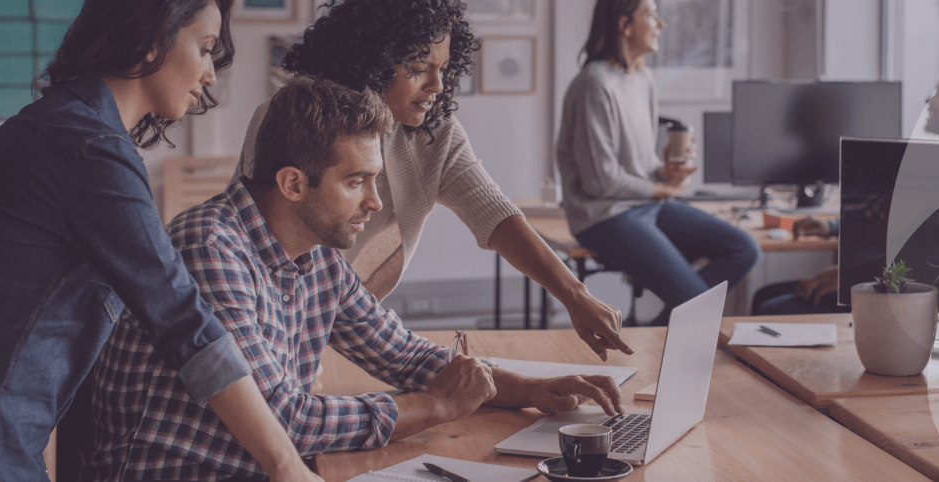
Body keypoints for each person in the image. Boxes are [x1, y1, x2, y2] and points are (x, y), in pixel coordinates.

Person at [89, 76, 625, 481]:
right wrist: (434, 406)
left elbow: (404, 354)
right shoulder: (212, 248)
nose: (375, 202)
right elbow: (286, 420)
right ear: (294, 183)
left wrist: (525, 389)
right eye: (357, 182)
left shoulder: (314, 254)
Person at [0, 1, 320, 481]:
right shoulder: (92, 152)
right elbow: (183, 319)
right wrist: (287, 466)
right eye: (205, 49)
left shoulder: (57, 124)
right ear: (151, 40)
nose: (209, 74)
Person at [232, 0, 632, 361]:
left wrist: (574, 296)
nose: (437, 86)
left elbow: (494, 213)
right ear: (371, 59)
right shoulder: (290, 123)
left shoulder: (434, 134)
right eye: (419, 68)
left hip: (356, 330)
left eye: (443, 69)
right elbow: (259, 249)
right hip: (273, 328)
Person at [556, 0, 759, 325]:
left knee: (744, 248)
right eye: (650, 14)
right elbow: (601, 181)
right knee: (695, 303)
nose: (661, 24)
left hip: (645, 204)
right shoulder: (594, 84)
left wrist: (666, 172)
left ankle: (655, 334)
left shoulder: (643, 79)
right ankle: (662, 339)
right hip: (603, 216)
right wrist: (663, 189)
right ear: (624, 25)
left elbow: (640, 167)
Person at [755, 69, 939, 315]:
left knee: (769, 308)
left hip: (903, 298)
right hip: (881, 279)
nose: (929, 100)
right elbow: (898, 224)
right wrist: (832, 228)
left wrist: (852, 277)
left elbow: (933, 258)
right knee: (764, 296)